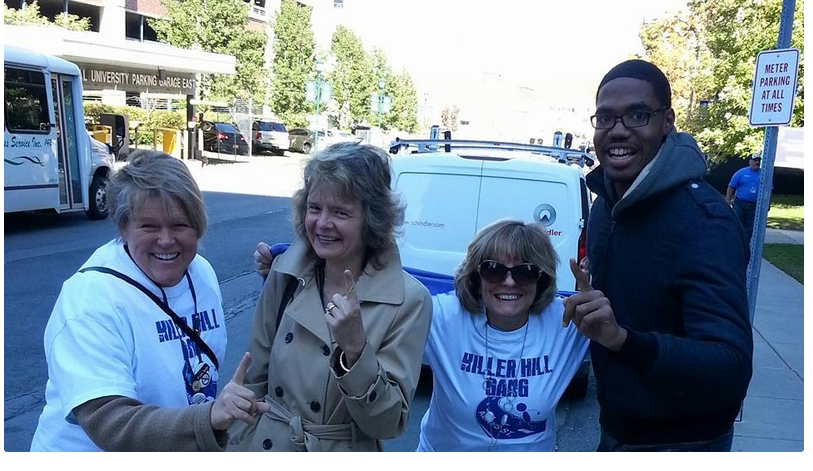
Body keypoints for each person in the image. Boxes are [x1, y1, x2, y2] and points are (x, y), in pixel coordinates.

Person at [254, 220, 590, 452]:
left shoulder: (567, 321)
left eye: (525, 272)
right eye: (493, 269)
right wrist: (298, 262)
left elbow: (630, 322)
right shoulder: (444, 315)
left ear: (542, 278)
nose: (509, 282)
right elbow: (380, 286)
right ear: (476, 275)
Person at [564, 59, 753, 452]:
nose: (618, 130)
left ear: (667, 121)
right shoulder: (605, 209)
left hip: (683, 442)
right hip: (617, 428)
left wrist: (623, 340)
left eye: (637, 115)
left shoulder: (704, 221)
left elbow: (730, 365)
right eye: (606, 117)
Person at [30, 150, 268, 452]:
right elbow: (111, 423)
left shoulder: (201, 273)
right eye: (149, 226)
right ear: (124, 228)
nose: (166, 240)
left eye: (180, 225)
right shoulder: (91, 299)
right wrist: (207, 419)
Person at [228, 142, 433, 452]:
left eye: (340, 212)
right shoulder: (284, 273)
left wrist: (355, 351)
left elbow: (388, 423)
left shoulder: (409, 300)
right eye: (314, 208)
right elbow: (254, 379)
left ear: (372, 218)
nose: (322, 224)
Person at [726, 153, 770, 242]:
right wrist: (727, 200)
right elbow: (731, 187)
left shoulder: (764, 174)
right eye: (755, 160)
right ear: (750, 161)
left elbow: (769, 189)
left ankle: (745, 247)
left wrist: (768, 204)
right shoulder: (741, 173)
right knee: (736, 224)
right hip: (740, 204)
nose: (757, 162)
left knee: (749, 228)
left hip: (755, 206)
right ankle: (732, 242)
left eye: (759, 161)